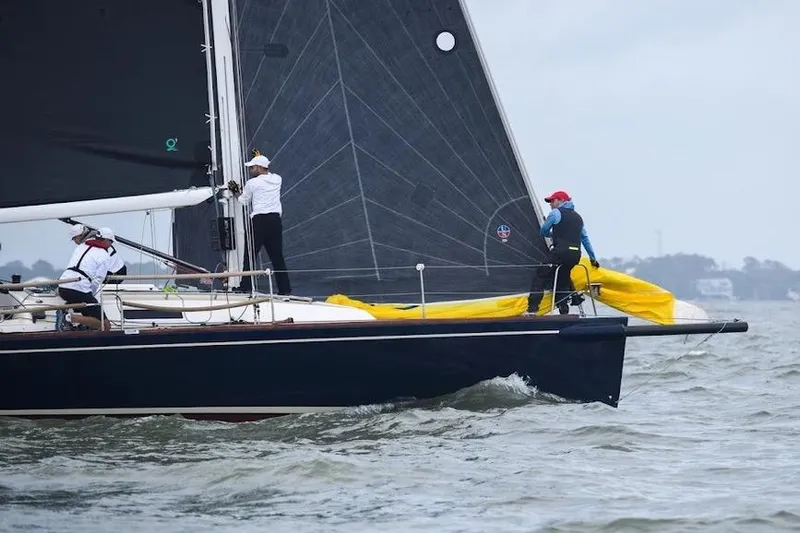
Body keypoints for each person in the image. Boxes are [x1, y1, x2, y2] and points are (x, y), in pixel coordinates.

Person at [228, 149, 291, 295]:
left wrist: (236, 191)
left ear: (259, 167)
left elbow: (243, 201)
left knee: (249, 255)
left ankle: (245, 287)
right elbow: (266, 172)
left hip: (259, 221)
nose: (250, 170)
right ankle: (285, 290)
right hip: (275, 221)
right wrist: (258, 157)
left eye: (252, 167)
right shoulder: (277, 179)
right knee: (277, 257)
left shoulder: (252, 183)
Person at [527, 190, 600, 315]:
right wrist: (593, 258)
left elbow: (543, 231)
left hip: (561, 252)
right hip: (575, 255)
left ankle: (532, 310)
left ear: (561, 201)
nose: (550, 204)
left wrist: (554, 235)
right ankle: (563, 310)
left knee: (541, 274)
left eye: (552, 201)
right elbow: (585, 239)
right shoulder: (578, 217)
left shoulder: (555, 213)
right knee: (562, 277)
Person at [55, 227, 118, 331]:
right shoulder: (104, 256)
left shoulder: (81, 246)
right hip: (79, 289)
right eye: (111, 242)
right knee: (106, 326)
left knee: (91, 316)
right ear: (106, 240)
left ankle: (79, 322)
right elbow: (98, 280)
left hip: (63, 285)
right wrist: (90, 295)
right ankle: (67, 317)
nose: (111, 245)